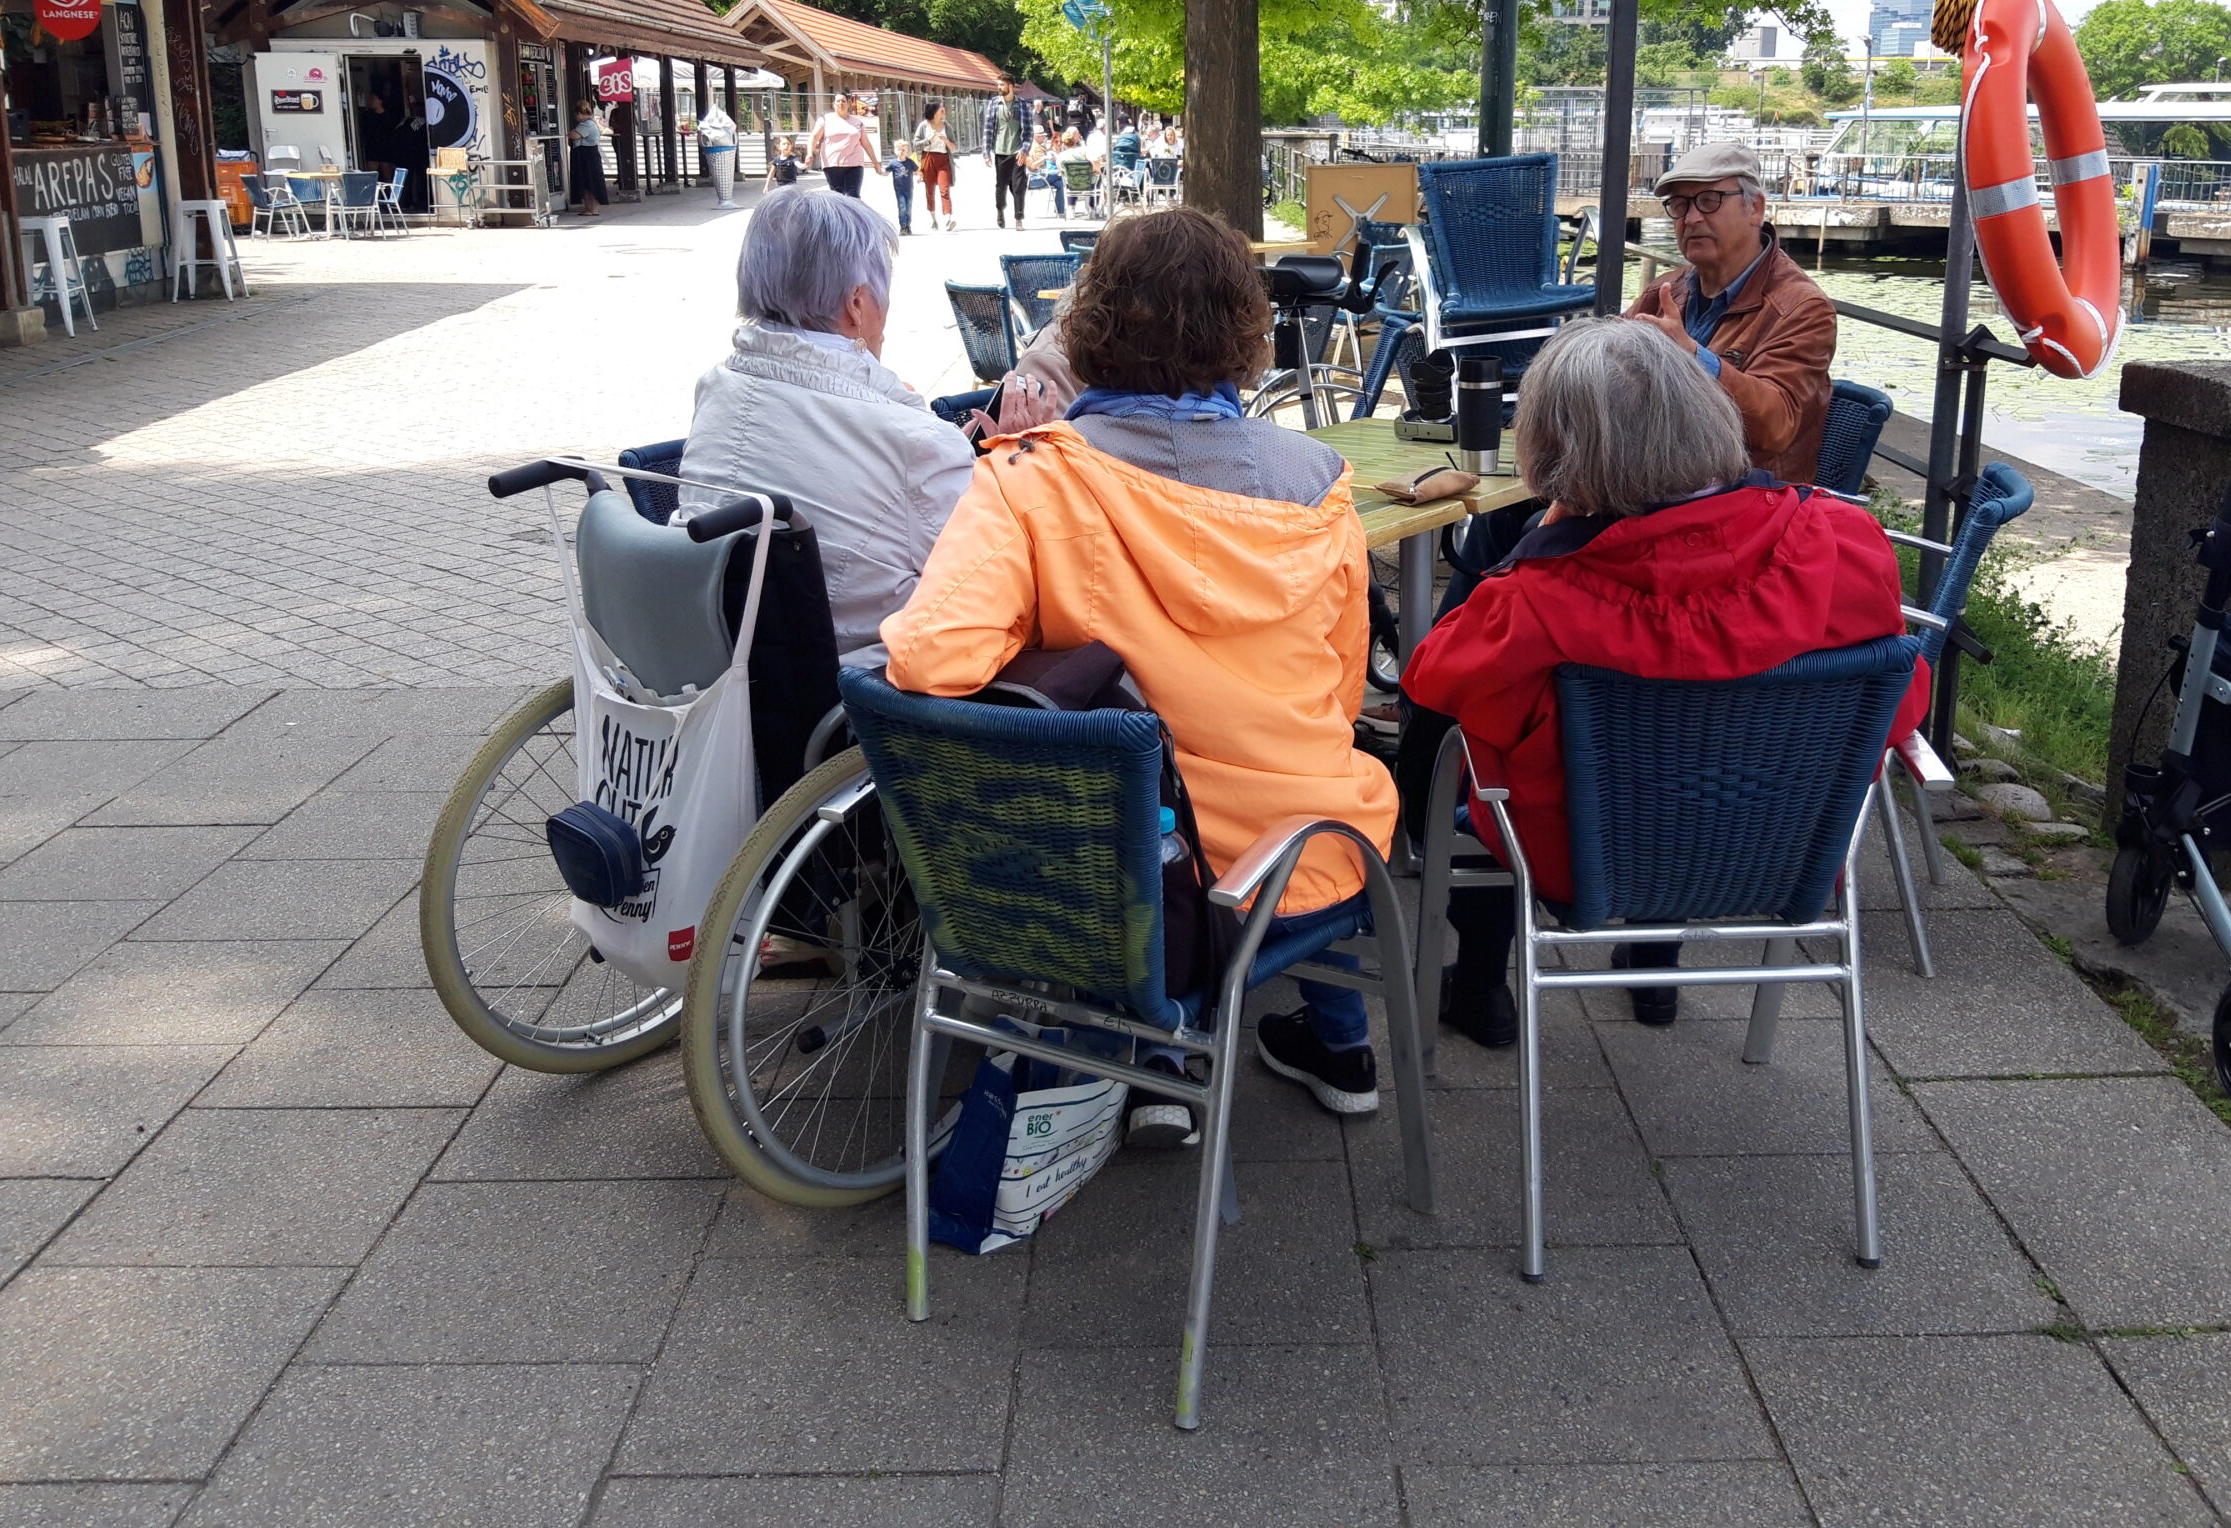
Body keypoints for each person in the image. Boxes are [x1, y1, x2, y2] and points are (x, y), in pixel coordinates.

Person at [883, 208, 1397, 1128]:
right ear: (1247, 332)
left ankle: (1152, 1063)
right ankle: (1335, 1040)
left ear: (1090, 327)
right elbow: (1344, 684)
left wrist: (1057, 642)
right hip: (1302, 858)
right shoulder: (1323, 485)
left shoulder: (1032, 480)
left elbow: (930, 660)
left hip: (1121, 878)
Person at [1398, 316, 1927, 1045]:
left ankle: (1483, 987)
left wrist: (1540, 540)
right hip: (1781, 846)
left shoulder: (1536, 602)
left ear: (1553, 454)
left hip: (1584, 858)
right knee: (1696, 757)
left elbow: (1432, 684)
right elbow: (1902, 706)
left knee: (1482, 790)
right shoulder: (1845, 542)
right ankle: (1653, 973)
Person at [680, 187, 973, 670]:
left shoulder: (716, 386)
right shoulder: (915, 441)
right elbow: (980, 577)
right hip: (864, 693)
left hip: (719, 656)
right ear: (857, 304)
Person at [1622, 140, 1835, 484]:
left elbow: (1775, 425)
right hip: (1651, 481)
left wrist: (1691, 358)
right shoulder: (1665, 290)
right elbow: (1605, 374)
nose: (1691, 218)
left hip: (1744, 500)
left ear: (1756, 209)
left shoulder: (1801, 308)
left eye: (1709, 201)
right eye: (1679, 204)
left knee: (1538, 529)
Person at [813, 90, 882, 197]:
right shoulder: (825, 119)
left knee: (853, 196)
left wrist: (875, 163)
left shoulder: (858, 122)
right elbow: (813, 137)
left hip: (854, 163)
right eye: (838, 101)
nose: (841, 103)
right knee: (838, 197)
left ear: (849, 103)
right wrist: (809, 153)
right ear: (834, 104)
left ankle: (855, 214)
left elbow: (866, 144)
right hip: (832, 164)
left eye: (844, 101)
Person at [987, 83, 1028, 229]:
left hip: (1017, 151)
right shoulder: (994, 103)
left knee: (1019, 186)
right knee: (1001, 186)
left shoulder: (1021, 104)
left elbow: (1028, 130)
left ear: (1010, 86)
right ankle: (1000, 210)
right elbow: (988, 128)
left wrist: (1024, 150)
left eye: (1002, 85)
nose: (999, 87)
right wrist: (986, 152)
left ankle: (1018, 218)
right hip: (1000, 151)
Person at [914, 99, 956, 230]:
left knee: (944, 189)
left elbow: (954, 147)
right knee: (930, 191)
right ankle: (934, 219)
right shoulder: (923, 125)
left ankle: (948, 218)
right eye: (941, 109)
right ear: (934, 111)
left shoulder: (946, 126)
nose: (943, 110)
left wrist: (946, 140)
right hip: (928, 159)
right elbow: (915, 144)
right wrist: (928, 140)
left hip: (943, 159)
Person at [567, 102, 609, 216]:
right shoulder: (590, 123)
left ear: (580, 113)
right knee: (585, 183)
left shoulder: (587, 124)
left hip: (587, 155)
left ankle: (593, 208)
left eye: (576, 114)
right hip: (586, 155)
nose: (575, 117)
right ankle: (588, 207)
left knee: (591, 182)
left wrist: (570, 133)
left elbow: (574, 135)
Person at [882, 138, 918, 236]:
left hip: (909, 189)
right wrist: (879, 171)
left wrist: (921, 177)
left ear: (907, 151)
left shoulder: (910, 162)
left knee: (908, 208)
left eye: (904, 150)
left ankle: (908, 226)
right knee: (902, 207)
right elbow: (886, 172)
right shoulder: (893, 163)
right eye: (899, 150)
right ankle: (903, 226)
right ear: (895, 150)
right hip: (899, 190)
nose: (901, 152)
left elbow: (917, 171)